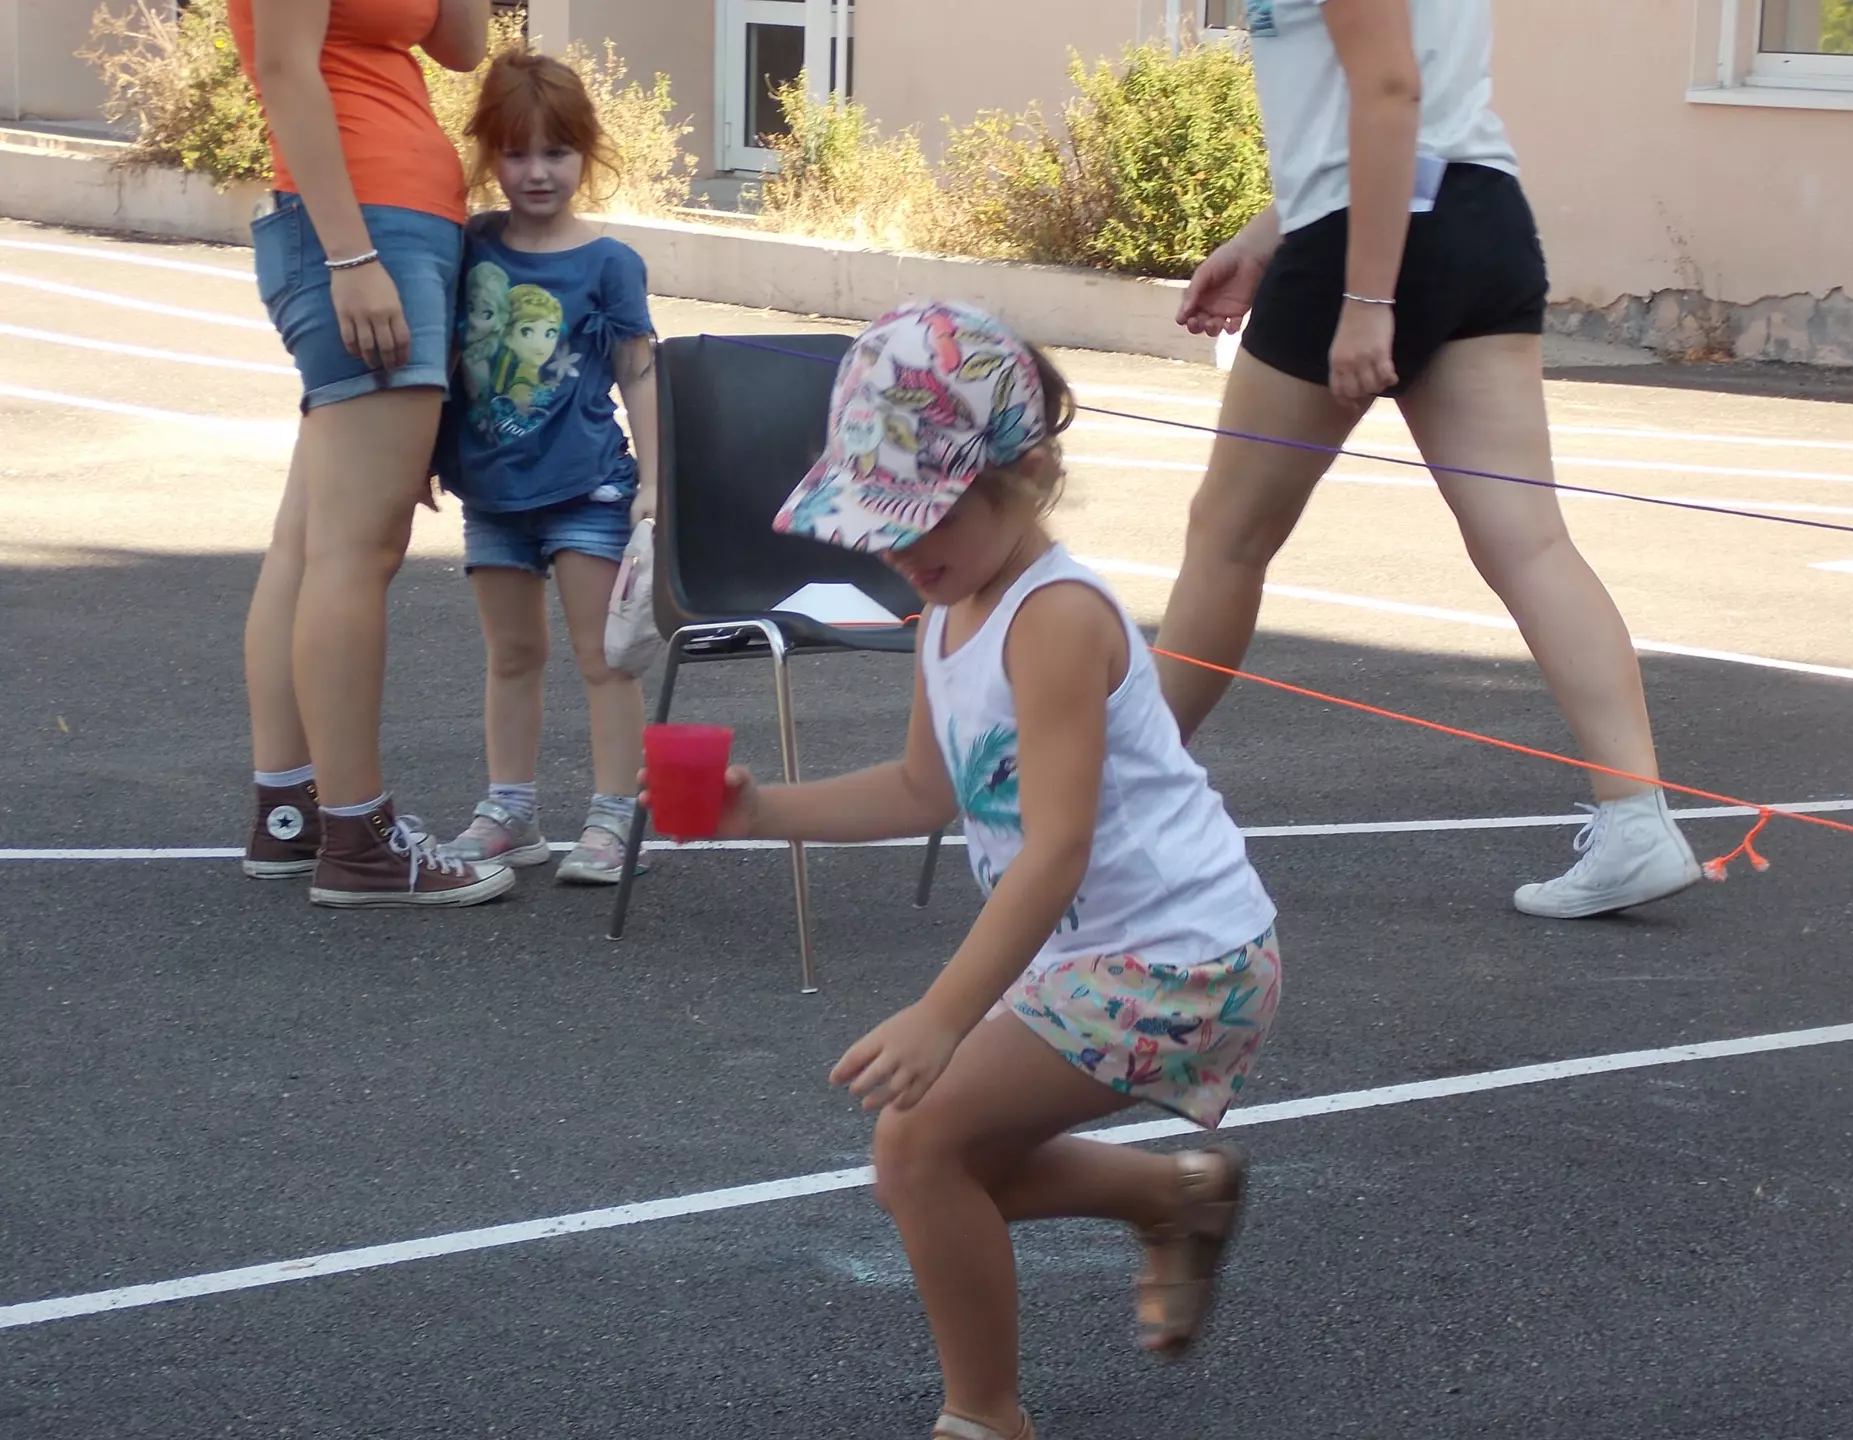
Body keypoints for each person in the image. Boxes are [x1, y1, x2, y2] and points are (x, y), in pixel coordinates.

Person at [645, 302, 1284, 1440]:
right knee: (929, 1168)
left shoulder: (1054, 620)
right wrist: (756, 813)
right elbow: (920, 792)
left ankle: (984, 1417)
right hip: (1099, 953)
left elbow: (1058, 846)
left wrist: (945, 1015)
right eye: (882, 526)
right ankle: (1170, 1194)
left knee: (920, 1142)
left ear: (1025, 474)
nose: (902, 551)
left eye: (926, 516)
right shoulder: (947, 611)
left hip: (1186, 959)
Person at [1161, 0, 1700, 919]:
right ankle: (1635, 819)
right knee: (1528, 542)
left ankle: (1100, 803)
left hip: (1375, 234)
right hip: (1476, 216)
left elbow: (1389, 89)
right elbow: (1385, 99)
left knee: (1228, 539)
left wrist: (1368, 294)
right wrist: (1265, 238)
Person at [231, 0, 512, 906]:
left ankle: (293, 812)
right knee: (360, 547)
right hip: (359, 233)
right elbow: (284, 69)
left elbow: (463, 48)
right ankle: (360, 837)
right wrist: (351, 256)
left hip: (400, 225)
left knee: (310, 539)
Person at [433, 50, 660, 885]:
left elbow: (640, 371)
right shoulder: (470, 247)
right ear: (490, 153)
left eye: (556, 153)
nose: (536, 172)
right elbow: (446, 359)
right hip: (492, 492)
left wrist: (655, 483)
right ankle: (509, 811)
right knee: (511, 655)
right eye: (517, 152)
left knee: (603, 656)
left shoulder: (609, 264)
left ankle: (611, 819)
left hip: (588, 489)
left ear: (586, 154)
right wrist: (429, 453)